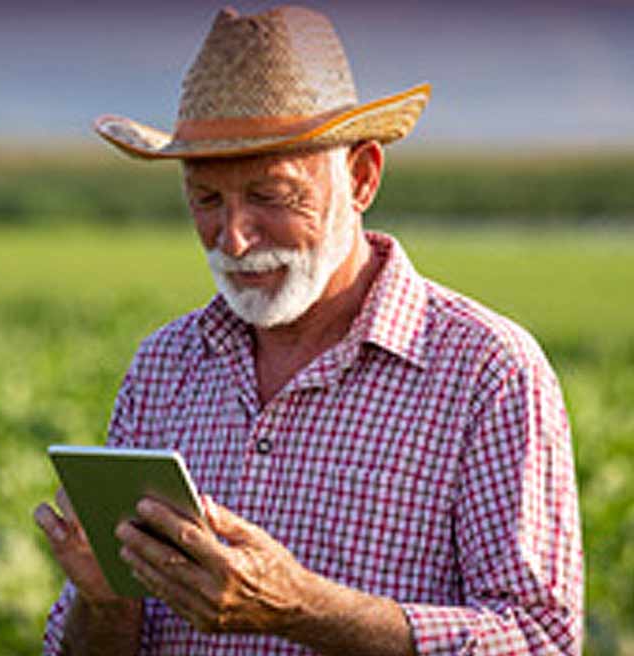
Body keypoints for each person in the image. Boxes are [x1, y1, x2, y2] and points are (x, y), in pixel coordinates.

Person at [32, 5, 582, 655]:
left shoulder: (486, 370)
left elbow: (539, 640)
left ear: (361, 177)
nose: (234, 238)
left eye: (271, 196)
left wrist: (300, 609)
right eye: (206, 200)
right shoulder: (165, 366)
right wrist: (105, 601)